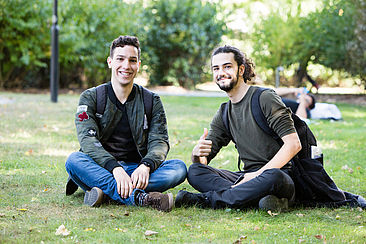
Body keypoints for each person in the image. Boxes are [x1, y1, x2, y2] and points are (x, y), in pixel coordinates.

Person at [65, 35, 187, 212]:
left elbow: (159, 141)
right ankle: (140, 198)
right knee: (74, 160)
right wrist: (115, 169)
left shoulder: (151, 100)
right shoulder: (91, 97)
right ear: (110, 62)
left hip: (138, 169)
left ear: (138, 65)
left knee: (179, 168)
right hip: (102, 168)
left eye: (132, 60)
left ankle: (105, 192)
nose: (126, 66)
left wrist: (146, 166)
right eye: (120, 59)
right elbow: (87, 141)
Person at [175, 45, 302, 211]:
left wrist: (256, 176)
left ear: (241, 69)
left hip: (279, 174)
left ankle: (206, 200)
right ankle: (259, 200)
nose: (221, 72)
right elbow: (204, 162)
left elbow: (294, 145)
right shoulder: (224, 112)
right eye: (216, 68)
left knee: (273, 177)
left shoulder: (265, 98)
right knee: (195, 171)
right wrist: (197, 154)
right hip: (247, 177)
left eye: (227, 67)